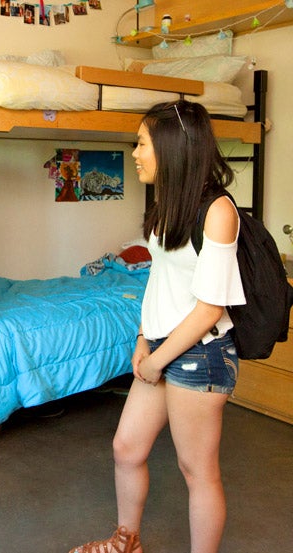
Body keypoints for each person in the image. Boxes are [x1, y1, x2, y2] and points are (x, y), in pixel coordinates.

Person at [69, 100, 245, 553]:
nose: (134, 152)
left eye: (142, 142)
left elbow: (210, 308)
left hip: (201, 354)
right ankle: (126, 542)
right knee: (126, 449)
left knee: (196, 470)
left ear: (171, 147)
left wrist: (158, 360)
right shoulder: (168, 203)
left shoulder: (218, 212)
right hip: (162, 346)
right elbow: (159, 281)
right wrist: (143, 339)